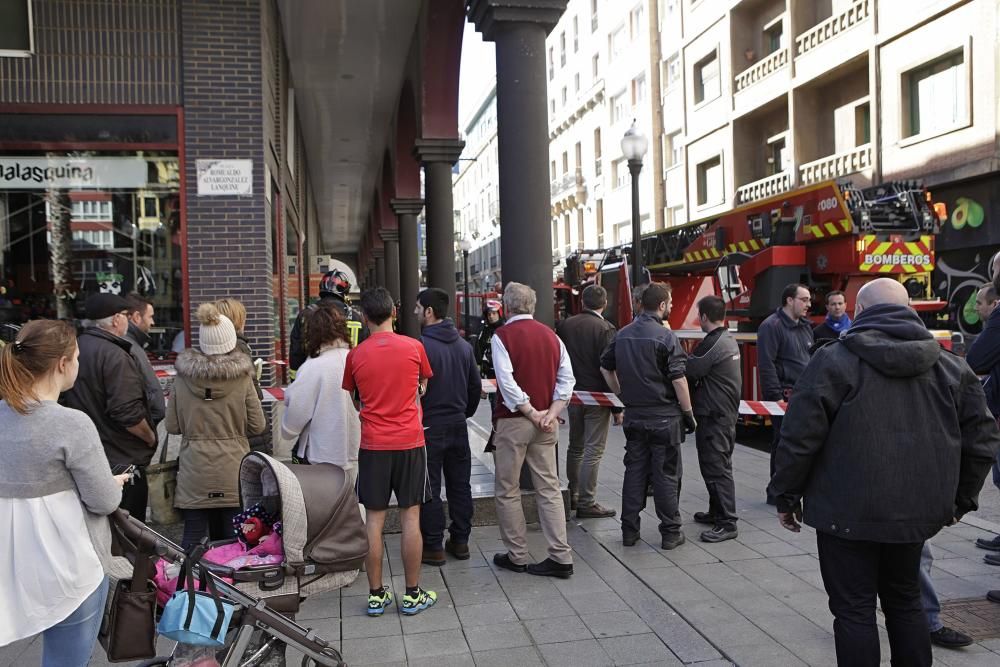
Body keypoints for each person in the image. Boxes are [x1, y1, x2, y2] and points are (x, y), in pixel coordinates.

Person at [767, 277, 999, 667]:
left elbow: (798, 438)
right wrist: (959, 500)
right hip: (915, 514)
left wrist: (786, 497)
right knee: (906, 602)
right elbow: (982, 439)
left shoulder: (832, 360)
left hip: (844, 514)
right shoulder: (950, 367)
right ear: (910, 310)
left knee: (853, 611)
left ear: (859, 312)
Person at [0, 319, 129, 666]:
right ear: (63, 363)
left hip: (11, 559)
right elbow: (103, 500)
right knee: (67, 659)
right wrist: (110, 483)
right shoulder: (71, 424)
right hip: (68, 562)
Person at [342, 287, 438, 616]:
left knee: (374, 521)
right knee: (411, 517)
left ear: (365, 317)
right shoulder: (414, 347)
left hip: (373, 445)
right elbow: (423, 386)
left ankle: (376, 594)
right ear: (394, 314)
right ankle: (412, 595)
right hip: (410, 442)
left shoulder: (355, 356)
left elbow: (356, 400)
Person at [601, 282, 696, 550]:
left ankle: (629, 532)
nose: (672, 307)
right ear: (662, 305)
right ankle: (670, 532)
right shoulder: (666, 337)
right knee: (665, 476)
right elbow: (679, 379)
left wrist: (622, 393)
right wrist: (688, 413)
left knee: (634, 473)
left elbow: (605, 367)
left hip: (635, 416)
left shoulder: (623, 334)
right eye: (671, 303)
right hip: (664, 418)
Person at [490, 282, 575, 578]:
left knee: (507, 489)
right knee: (549, 488)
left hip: (514, 422)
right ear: (533, 306)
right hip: (547, 423)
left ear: (507, 306)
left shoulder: (502, 336)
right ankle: (561, 556)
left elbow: (506, 381)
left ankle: (517, 555)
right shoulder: (552, 337)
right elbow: (567, 380)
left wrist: (529, 411)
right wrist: (550, 414)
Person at [166, 302, 266, 549]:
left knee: (193, 537)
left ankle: (191, 587)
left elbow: (172, 426)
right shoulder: (242, 378)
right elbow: (258, 425)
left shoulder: (182, 379)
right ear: (231, 341)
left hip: (194, 471)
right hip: (233, 470)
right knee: (233, 541)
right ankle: (228, 588)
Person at [62, 293, 157, 521]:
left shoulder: (76, 348)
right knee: (129, 533)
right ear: (116, 319)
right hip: (121, 459)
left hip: (86, 455)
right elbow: (127, 413)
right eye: (125, 315)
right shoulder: (115, 354)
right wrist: (150, 437)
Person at [414, 288, 481, 566]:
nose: (415, 312)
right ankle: (461, 540)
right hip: (457, 425)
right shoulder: (464, 347)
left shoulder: (419, 347)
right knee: (460, 484)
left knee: (429, 486)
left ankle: (433, 546)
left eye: (418, 308)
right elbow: (475, 388)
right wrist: (463, 413)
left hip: (429, 426)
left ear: (429, 312)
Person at [556, 284, 621, 519]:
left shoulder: (565, 325)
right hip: (597, 397)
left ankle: (573, 494)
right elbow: (609, 367)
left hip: (572, 395)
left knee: (576, 447)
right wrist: (616, 405)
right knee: (594, 450)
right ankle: (587, 501)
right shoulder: (606, 328)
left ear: (582, 302)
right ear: (604, 304)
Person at [280, 303, 360, 479]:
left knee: (324, 505)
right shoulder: (358, 360)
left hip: (321, 456)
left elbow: (291, 425)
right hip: (359, 451)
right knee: (352, 503)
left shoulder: (312, 367)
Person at [685, 295, 741, 543]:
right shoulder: (728, 338)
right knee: (719, 464)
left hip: (714, 415)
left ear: (704, 317)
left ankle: (727, 522)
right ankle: (716, 511)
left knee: (716, 468)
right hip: (724, 413)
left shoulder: (713, 342)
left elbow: (692, 369)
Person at [756, 283, 813, 504]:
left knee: (798, 444)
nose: (808, 304)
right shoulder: (772, 326)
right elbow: (766, 365)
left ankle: (793, 488)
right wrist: (775, 398)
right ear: (790, 300)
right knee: (783, 444)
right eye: (804, 299)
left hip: (803, 395)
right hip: (785, 397)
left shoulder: (805, 326)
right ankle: (777, 492)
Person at [215, 297, 271, 453]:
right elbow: (252, 396)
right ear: (238, 320)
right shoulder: (239, 348)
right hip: (246, 432)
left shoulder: (209, 352)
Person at [289, 269, 361, 371]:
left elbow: (296, 351)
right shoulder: (356, 317)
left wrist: (297, 379)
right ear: (345, 291)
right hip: (349, 377)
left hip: (312, 375)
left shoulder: (305, 315)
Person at [124, 293, 166, 428]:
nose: (152, 322)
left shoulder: (131, 344)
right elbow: (149, 391)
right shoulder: (131, 347)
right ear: (137, 317)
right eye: (150, 316)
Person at [474, 298, 505, 382]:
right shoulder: (484, 331)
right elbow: (478, 349)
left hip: (503, 373)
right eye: (489, 314)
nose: (491, 316)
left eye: (494, 313)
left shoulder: (505, 331)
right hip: (487, 373)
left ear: (499, 314)